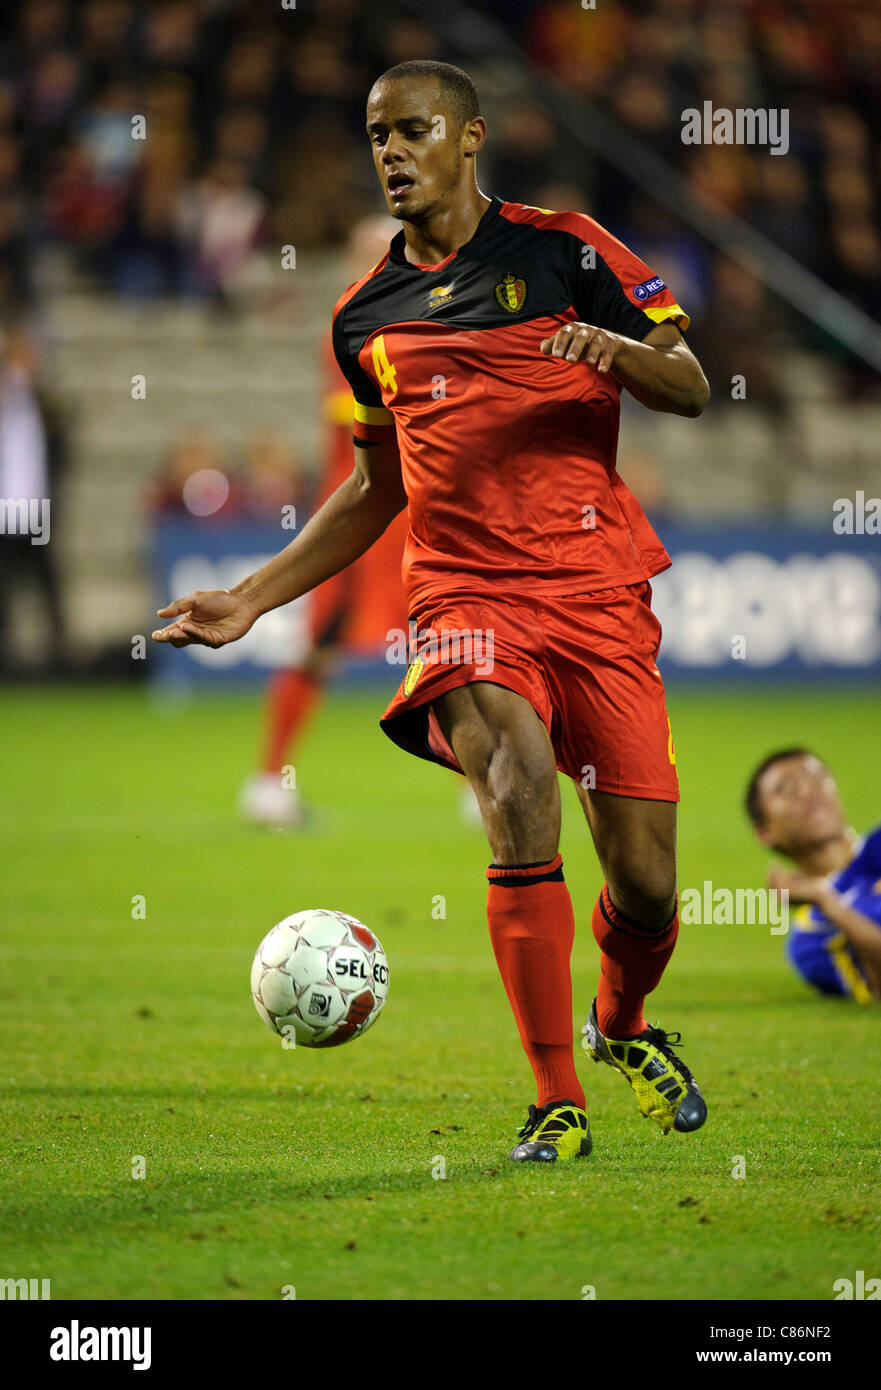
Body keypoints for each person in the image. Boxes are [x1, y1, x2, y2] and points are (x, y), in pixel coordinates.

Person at [154, 60, 711, 1162]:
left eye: (413, 130)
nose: (392, 152)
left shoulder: (568, 249)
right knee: (512, 785)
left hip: (596, 593)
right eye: (377, 135)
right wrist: (254, 599)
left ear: (470, 139)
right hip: (462, 591)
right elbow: (375, 485)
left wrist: (619, 353)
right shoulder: (365, 316)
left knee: (645, 883)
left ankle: (620, 1020)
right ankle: (556, 1096)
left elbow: (691, 380)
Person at [745, 748, 881, 1002]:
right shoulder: (812, 938)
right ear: (765, 831)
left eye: (819, 778)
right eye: (786, 789)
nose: (809, 792)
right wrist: (826, 901)